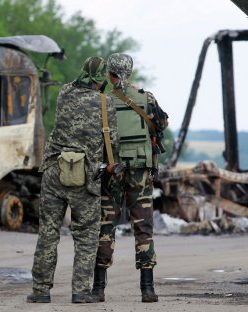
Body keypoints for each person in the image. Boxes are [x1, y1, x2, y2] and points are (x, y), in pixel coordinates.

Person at [27, 56, 118, 304]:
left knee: (48, 233)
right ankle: (80, 291)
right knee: (86, 236)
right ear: (101, 79)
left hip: (55, 170)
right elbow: (113, 143)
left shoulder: (64, 93)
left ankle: (40, 291)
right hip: (85, 176)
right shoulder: (105, 103)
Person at [92, 53, 168, 303]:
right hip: (140, 171)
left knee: (106, 226)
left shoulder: (102, 101)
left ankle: (98, 289)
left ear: (110, 74)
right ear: (130, 73)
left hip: (112, 171)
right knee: (143, 227)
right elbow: (162, 123)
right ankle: (147, 289)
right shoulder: (146, 98)